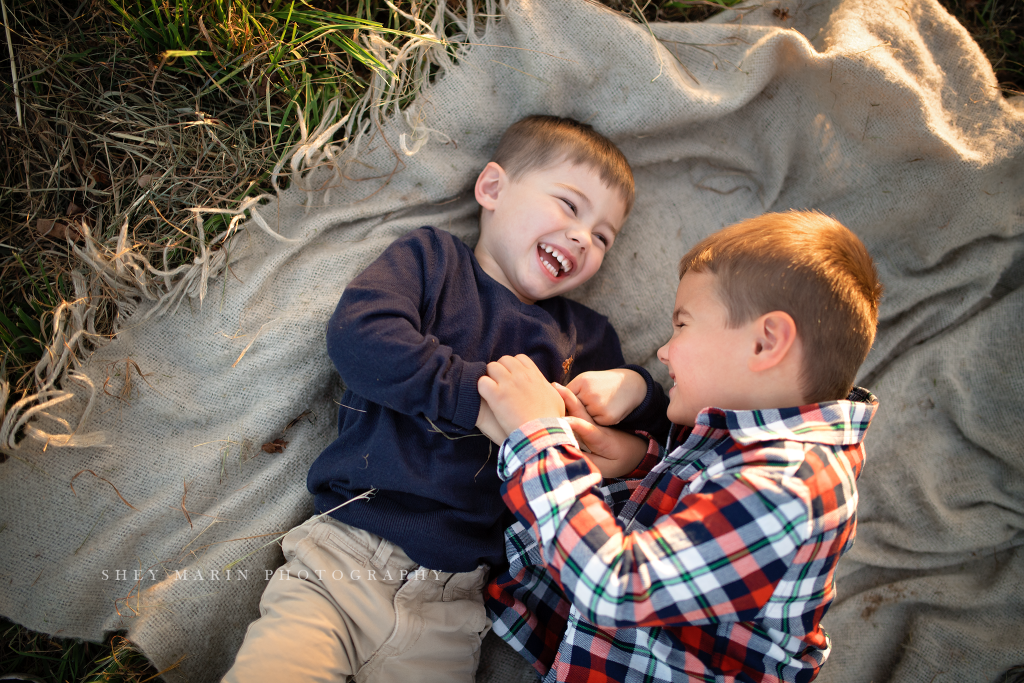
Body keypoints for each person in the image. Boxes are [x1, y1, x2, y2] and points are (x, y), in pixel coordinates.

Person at [223, 115, 670, 683]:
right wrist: (475, 399)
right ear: (492, 189)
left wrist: (634, 389)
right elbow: (360, 335)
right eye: (569, 205)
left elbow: (663, 444)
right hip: (345, 556)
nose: (584, 236)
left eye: (604, 236)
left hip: (455, 601)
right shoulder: (434, 263)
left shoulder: (584, 338)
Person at [481, 210, 883, 683]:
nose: (664, 351)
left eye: (682, 325)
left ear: (765, 343)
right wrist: (636, 460)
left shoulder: (795, 484)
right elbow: (702, 511)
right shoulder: (760, 448)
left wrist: (538, 438)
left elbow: (620, 587)